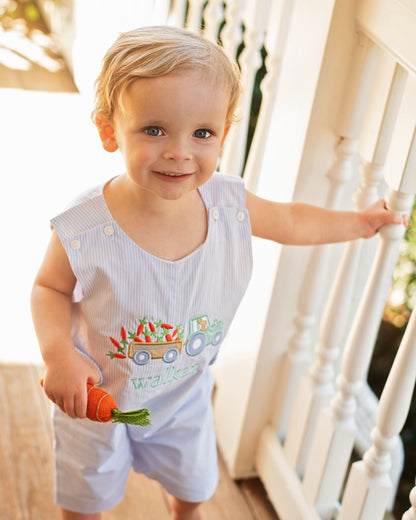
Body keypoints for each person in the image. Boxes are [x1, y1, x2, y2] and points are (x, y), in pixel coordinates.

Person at [31, 25, 406, 520]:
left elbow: (291, 220)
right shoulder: (85, 225)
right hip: (95, 392)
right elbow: (49, 289)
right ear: (108, 131)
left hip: (182, 393)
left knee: (194, 482)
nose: (180, 151)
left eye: (202, 133)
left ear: (223, 136)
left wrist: (360, 223)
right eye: (154, 129)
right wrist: (59, 354)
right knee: (87, 494)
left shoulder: (227, 204)